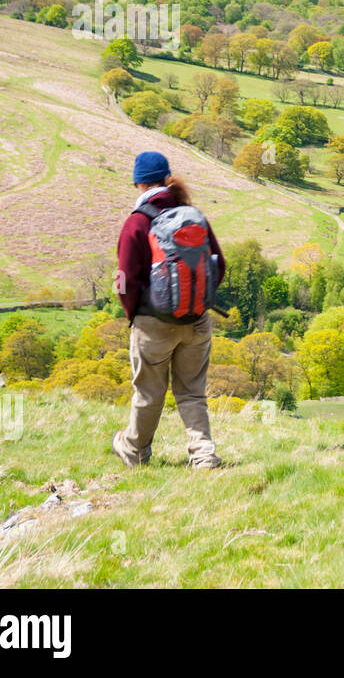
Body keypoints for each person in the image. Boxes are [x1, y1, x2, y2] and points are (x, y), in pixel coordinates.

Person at [112, 151, 226, 469]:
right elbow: (220, 263)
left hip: (152, 323)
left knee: (149, 394)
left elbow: (124, 281)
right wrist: (198, 303)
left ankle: (135, 451)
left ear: (138, 182)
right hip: (198, 322)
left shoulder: (137, 222)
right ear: (166, 179)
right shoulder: (192, 214)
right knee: (191, 393)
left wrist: (134, 315)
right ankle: (203, 456)